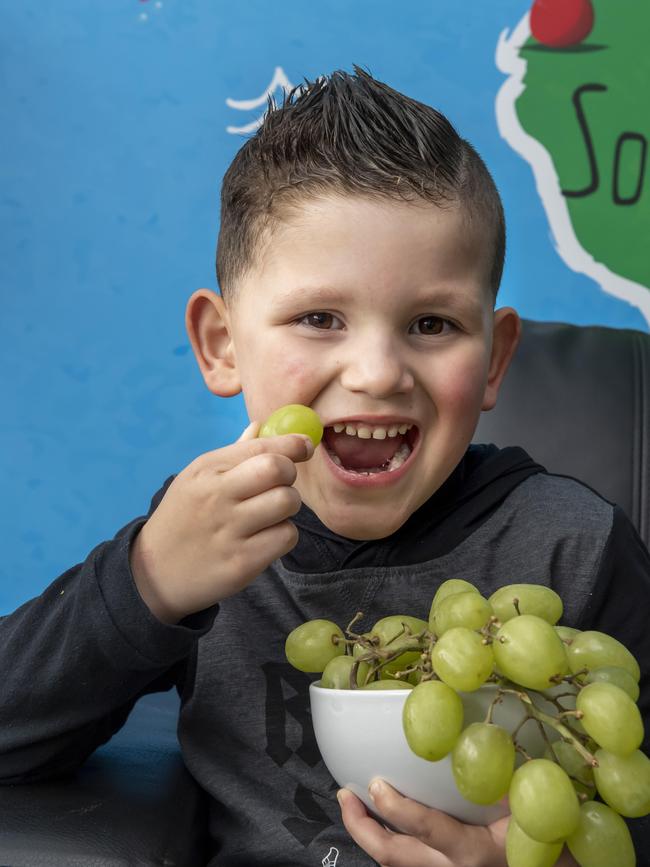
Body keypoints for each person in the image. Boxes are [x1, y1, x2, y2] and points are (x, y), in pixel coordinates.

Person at [1, 67, 649, 867]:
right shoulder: (202, 535)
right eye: (319, 318)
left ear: (493, 359)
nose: (377, 371)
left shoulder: (576, 547)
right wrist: (149, 581)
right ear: (221, 344)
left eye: (431, 322)